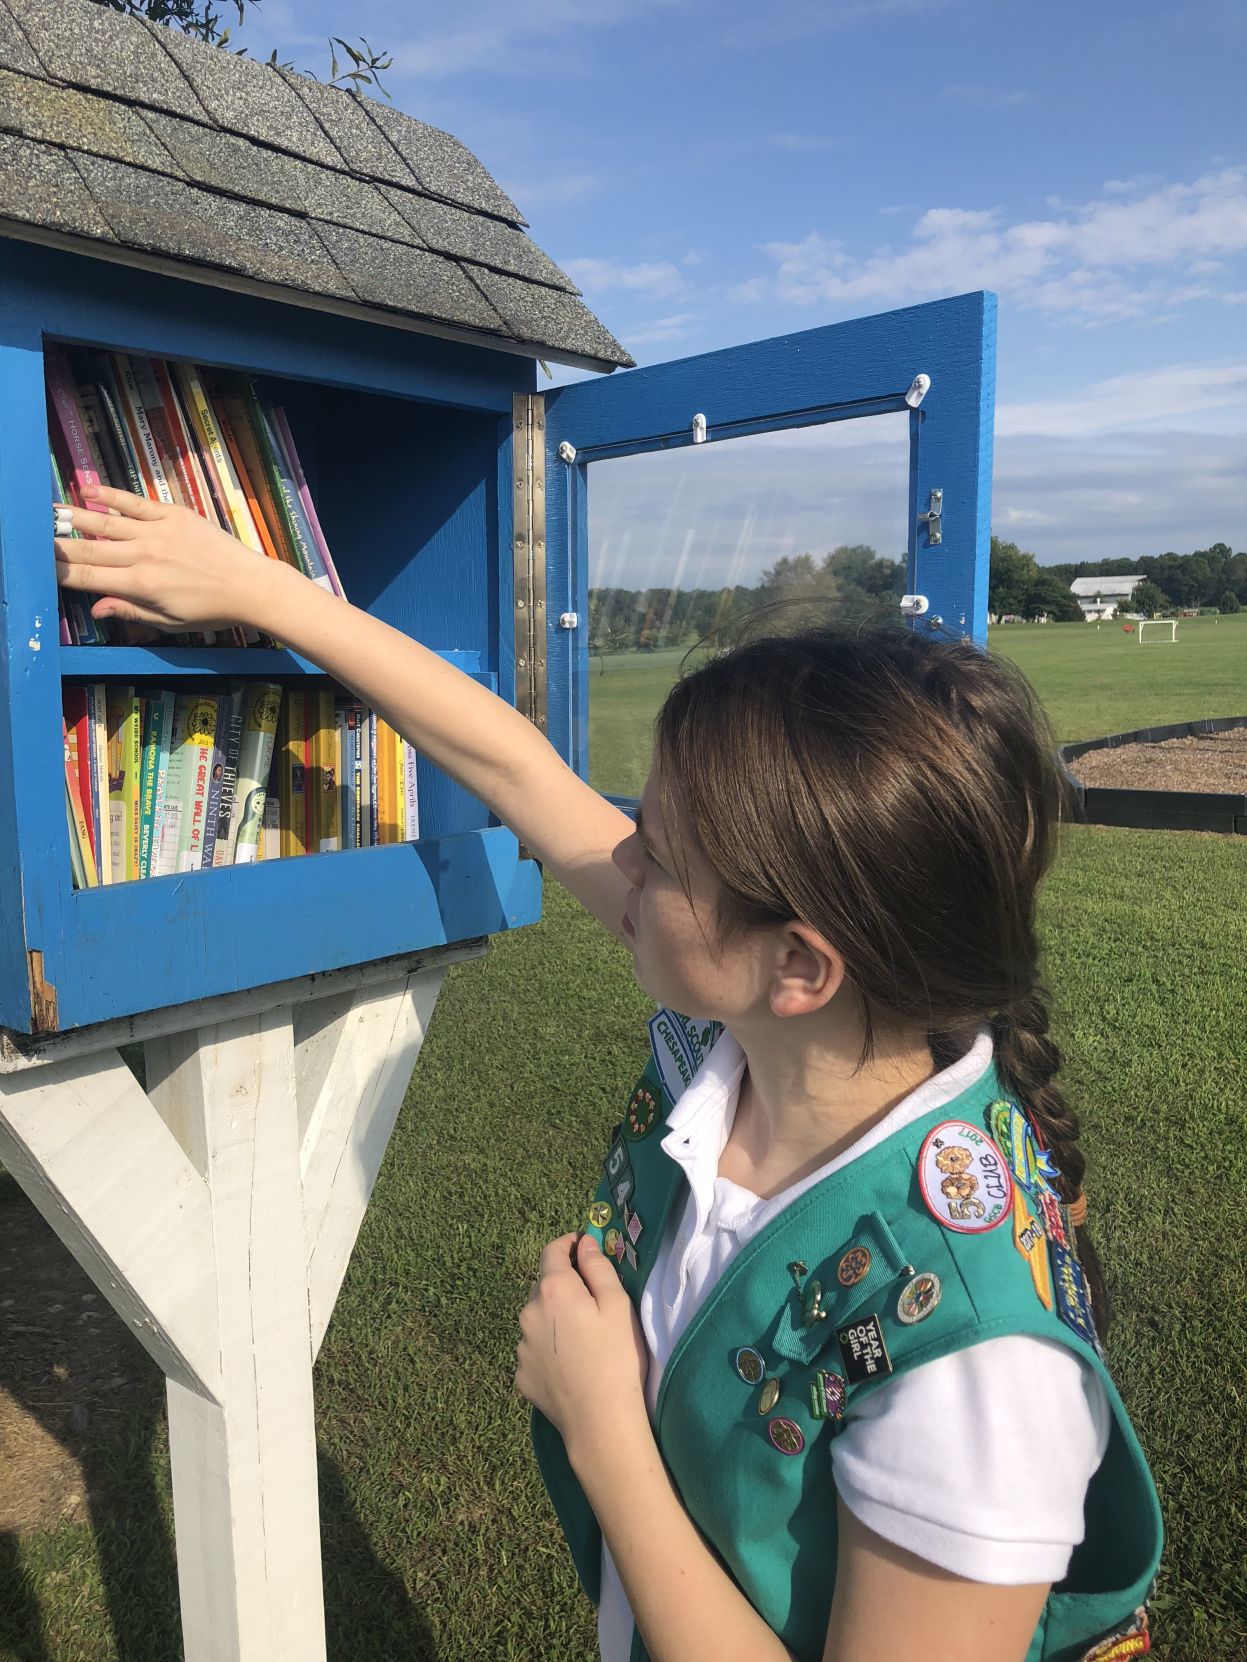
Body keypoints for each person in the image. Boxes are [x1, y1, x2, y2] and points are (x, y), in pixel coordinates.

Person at [53, 488, 1162, 1662]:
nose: (616, 849)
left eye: (663, 852)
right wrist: (261, 591)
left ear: (798, 964)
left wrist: (604, 1429)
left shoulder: (982, 1370)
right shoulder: (750, 1047)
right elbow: (518, 770)